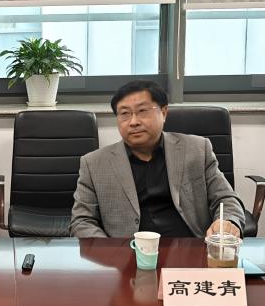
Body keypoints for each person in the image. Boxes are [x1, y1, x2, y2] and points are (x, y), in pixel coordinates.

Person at [71, 80, 244, 238]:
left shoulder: (197, 149)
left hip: (189, 248)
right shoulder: (94, 163)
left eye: (142, 111)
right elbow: (82, 221)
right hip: (126, 253)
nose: (133, 122)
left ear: (164, 112)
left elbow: (225, 198)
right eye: (124, 114)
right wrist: (110, 251)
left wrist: (227, 221)